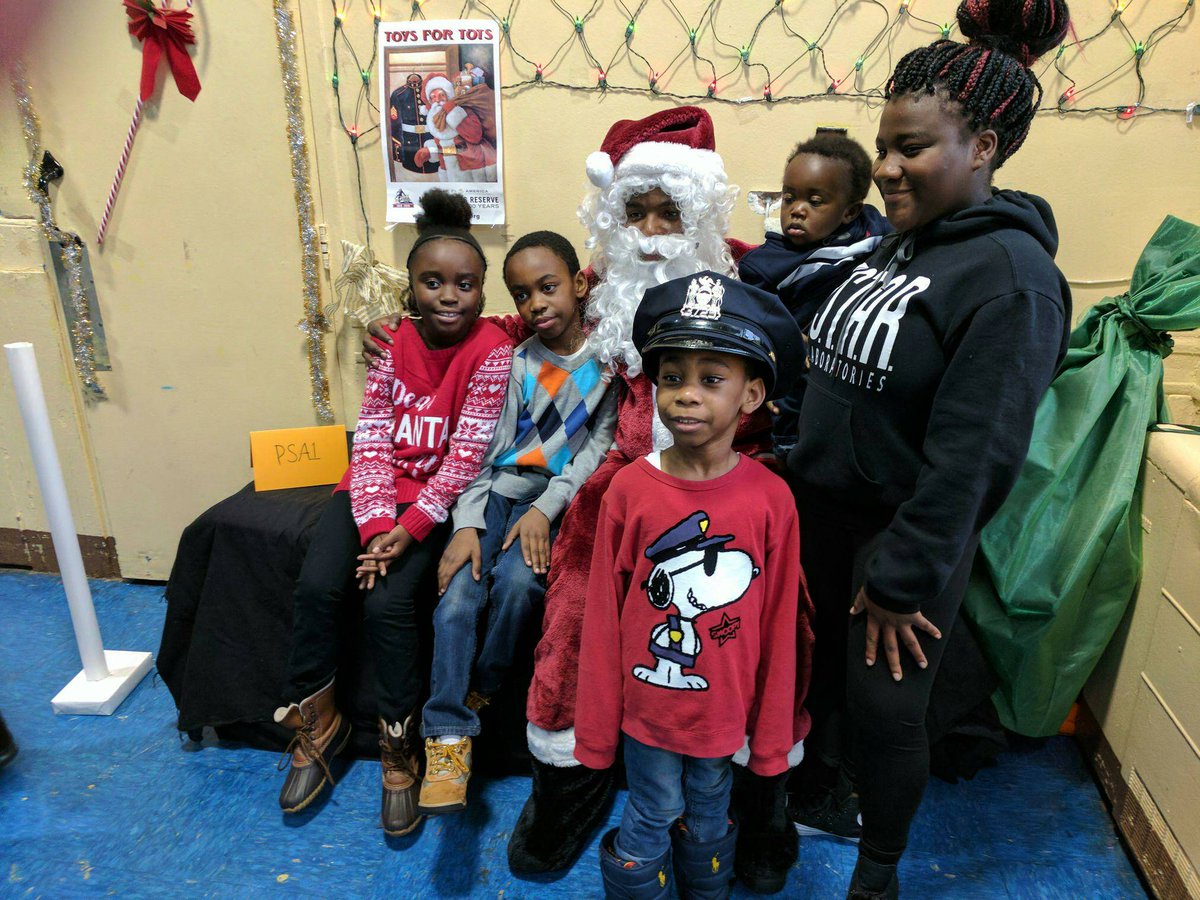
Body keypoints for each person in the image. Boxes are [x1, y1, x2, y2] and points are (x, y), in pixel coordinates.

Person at [785, 1, 1072, 896]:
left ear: (982, 147)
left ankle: (878, 871)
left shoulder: (1013, 280)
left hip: (898, 536)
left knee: (886, 711)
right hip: (823, 512)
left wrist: (902, 577)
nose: (885, 168)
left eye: (910, 148)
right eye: (884, 146)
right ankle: (817, 794)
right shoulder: (900, 244)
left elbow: (975, 458)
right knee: (820, 685)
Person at [273, 190, 513, 838]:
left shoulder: (492, 349)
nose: (448, 296)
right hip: (371, 493)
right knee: (318, 587)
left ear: (482, 291)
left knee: (388, 608)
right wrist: (379, 527)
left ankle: (398, 746)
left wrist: (409, 531)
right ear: (410, 288)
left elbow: (465, 456)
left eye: (465, 284)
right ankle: (319, 722)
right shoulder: (391, 343)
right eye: (432, 282)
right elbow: (373, 438)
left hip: (431, 504)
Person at [574, 271, 806, 898]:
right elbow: (602, 618)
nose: (687, 395)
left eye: (711, 379)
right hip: (648, 710)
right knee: (652, 807)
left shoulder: (772, 500)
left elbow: (781, 624)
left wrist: (771, 735)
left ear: (751, 394)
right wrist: (594, 728)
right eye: (672, 377)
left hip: (725, 710)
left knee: (710, 805)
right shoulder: (628, 490)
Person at [417, 231, 618, 816]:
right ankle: (446, 736)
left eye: (548, 287)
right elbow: (483, 450)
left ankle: (484, 683)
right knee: (457, 598)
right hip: (493, 495)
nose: (536, 304)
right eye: (522, 294)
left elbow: (596, 450)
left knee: (520, 585)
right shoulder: (517, 361)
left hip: (550, 502)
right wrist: (466, 523)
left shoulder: (608, 363)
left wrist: (545, 509)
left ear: (579, 285)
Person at [737, 131, 891, 460]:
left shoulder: (876, 233)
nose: (797, 210)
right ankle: (786, 451)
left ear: (850, 211)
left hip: (853, 365)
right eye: (789, 198)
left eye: (815, 201)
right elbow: (753, 324)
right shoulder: (766, 264)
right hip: (799, 362)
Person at [414, 74, 498, 183]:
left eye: (441, 95)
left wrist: (452, 112)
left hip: (471, 168)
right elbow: (443, 145)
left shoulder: (462, 111)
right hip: (449, 170)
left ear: (448, 96)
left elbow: (474, 137)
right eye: (433, 97)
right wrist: (430, 151)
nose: (437, 100)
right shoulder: (435, 118)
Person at [389, 73, 439, 175]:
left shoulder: (430, 91)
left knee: (433, 162)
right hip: (410, 141)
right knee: (412, 164)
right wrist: (398, 151)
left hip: (430, 136)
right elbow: (395, 123)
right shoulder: (398, 94)